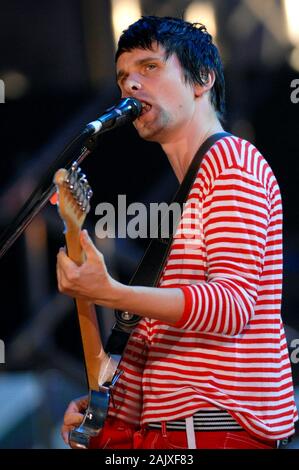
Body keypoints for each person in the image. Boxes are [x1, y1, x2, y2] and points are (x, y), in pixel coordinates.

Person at [57, 16, 297, 449]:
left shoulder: (232, 162)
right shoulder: (187, 196)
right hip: (174, 435)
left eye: (149, 67)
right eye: (123, 76)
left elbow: (232, 304)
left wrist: (110, 291)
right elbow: (160, 342)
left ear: (201, 79)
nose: (130, 85)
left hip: (213, 432)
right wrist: (105, 409)